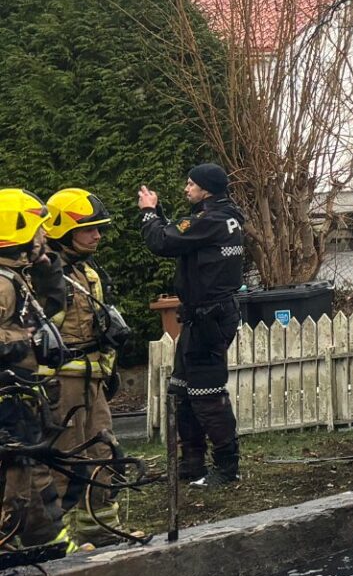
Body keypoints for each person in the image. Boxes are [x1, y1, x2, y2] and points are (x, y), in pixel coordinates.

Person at [136, 164, 246, 488]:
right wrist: (161, 214)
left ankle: (227, 468)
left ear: (206, 189)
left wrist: (148, 213)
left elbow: (163, 241)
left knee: (208, 395)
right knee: (182, 392)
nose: (186, 189)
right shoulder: (225, 217)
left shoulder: (209, 220)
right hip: (204, 316)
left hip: (207, 318)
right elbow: (181, 234)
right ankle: (192, 464)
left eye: (190, 184)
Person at [42, 189, 136, 545]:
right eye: (90, 229)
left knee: (103, 453)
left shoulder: (85, 271)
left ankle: (100, 530)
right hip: (59, 387)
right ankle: (57, 540)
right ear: (64, 229)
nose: (97, 235)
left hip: (92, 380)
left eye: (99, 229)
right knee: (62, 463)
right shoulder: (45, 276)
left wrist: (107, 369)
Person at [0, 189, 71, 553]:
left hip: (23, 397)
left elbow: (51, 310)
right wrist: (19, 339)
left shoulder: (18, 276)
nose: (44, 236)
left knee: (32, 475)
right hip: (7, 404)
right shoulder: (2, 283)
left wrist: (49, 267)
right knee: (13, 481)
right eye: (38, 230)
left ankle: (48, 547)